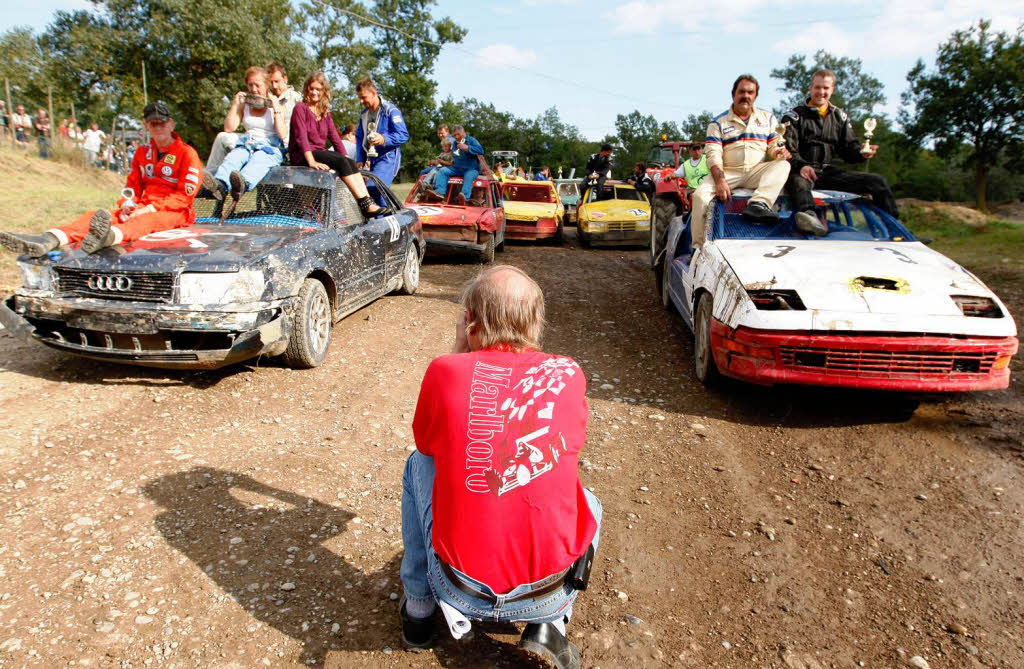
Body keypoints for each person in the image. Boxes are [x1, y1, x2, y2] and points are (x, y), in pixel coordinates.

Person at [400, 265, 600, 669]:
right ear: (535, 321)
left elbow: (427, 443)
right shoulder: (567, 372)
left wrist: (460, 352)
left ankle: (419, 611)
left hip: (461, 590)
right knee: (590, 500)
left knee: (418, 463)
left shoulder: (445, 369)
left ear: (470, 320)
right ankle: (551, 625)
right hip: (549, 591)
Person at [0, 101, 202, 257]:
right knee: (96, 215)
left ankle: (107, 237)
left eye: (162, 122)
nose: (158, 126)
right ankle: (49, 239)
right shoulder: (142, 152)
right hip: (141, 204)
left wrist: (147, 209)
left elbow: (184, 197)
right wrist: (127, 206)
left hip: (174, 212)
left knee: (147, 221)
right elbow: (132, 186)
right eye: (153, 123)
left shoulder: (186, 153)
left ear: (171, 124)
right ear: (146, 126)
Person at [784, 68, 898, 231]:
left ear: (832, 90)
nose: (821, 92)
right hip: (799, 172)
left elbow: (848, 151)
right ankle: (810, 222)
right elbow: (789, 150)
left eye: (825, 88)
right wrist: (801, 165)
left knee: (877, 181)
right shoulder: (794, 116)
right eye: (817, 87)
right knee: (799, 184)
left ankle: (895, 230)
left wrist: (862, 153)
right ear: (811, 88)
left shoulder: (839, 117)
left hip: (827, 173)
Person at [691, 74, 792, 246]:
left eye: (750, 92)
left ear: (755, 96)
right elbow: (713, 154)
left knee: (783, 165)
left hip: (756, 171)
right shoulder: (718, 123)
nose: (746, 96)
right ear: (733, 95)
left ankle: (758, 204)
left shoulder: (768, 119)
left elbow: (774, 145)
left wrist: (779, 152)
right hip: (728, 173)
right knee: (700, 197)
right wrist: (720, 180)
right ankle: (698, 248)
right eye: (742, 92)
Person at [288, 71, 392, 218]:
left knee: (347, 160)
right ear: (306, 89)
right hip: (303, 154)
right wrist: (311, 161)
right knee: (342, 161)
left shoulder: (325, 113)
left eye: (318, 89)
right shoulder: (300, 108)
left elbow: (335, 138)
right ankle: (365, 205)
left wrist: (347, 159)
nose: (314, 92)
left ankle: (367, 201)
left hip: (318, 152)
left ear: (324, 91)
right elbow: (301, 137)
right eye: (311, 88)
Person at [203, 66, 287, 201]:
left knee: (259, 160)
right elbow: (229, 128)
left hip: (269, 146)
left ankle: (242, 184)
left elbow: (282, 134)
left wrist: (276, 108)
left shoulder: (276, 104)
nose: (253, 89)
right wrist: (236, 105)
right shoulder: (245, 104)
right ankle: (220, 185)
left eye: (257, 85)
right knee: (234, 158)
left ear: (266, 85)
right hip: (248, 142)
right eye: (250, 85)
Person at [354, 78, 409, 187]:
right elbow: (360, 137)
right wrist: (360, 158)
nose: (361, 101)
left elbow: (403, 135)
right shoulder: (364, 114)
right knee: (374, 194)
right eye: (360, 98)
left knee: (374, 187)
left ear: (373, 93)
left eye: (364, 97)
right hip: (371, 159)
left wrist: (384, 139)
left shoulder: (390, 110)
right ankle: (385, 205)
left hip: (387, 158)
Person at [431, 126, 484, 205]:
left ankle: (464, 197)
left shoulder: (471, 140)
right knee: (443, 171)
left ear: (464, 133)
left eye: (458, 134)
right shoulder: (455, 143)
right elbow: (453, 156)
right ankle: (440, 192)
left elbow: (481, 150)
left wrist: (467, 147)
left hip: (471, 169)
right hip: (457, 168)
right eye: (454, 135)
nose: (456, 137)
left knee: (469, 176)